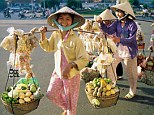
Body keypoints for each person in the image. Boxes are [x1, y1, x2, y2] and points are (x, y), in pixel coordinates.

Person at [39, 6, 89, 115]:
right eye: (61, 18)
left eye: (68, 19)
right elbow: (48, 47)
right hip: (58, 71)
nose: (64, 22)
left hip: (71, 74)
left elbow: (84, 59)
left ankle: (70, 110)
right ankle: (66, 108)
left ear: (72, 22)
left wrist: (70, 65)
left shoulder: (76, 40)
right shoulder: (55, 34)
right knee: (51, 93)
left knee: (71, 100)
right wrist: (43, 35)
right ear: (56, 21)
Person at [100, 2, 138, 99]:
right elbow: (108, 30)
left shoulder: (132, 24)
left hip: (129, 52)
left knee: (131, 73)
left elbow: (132, 40)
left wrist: (119, 39)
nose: (117, 14)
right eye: (116, 11)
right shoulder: (116, 22)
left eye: (119, 12)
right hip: (117, 50)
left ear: (125, 13)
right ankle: (112, 86)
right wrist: (101, 23)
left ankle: (132, 91)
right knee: (110, 67)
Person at [96, 9, 123, 80]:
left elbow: (112, 33)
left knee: (115, 60)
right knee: (104, 60)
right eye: (104, 20)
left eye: (107, 20)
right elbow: (100, 33)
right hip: (104, 44)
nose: (106, 21)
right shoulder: (101, 25)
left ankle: (118, 74)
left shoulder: (113, 25)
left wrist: (109, 37)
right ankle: (105, 75)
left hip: (112, 44)